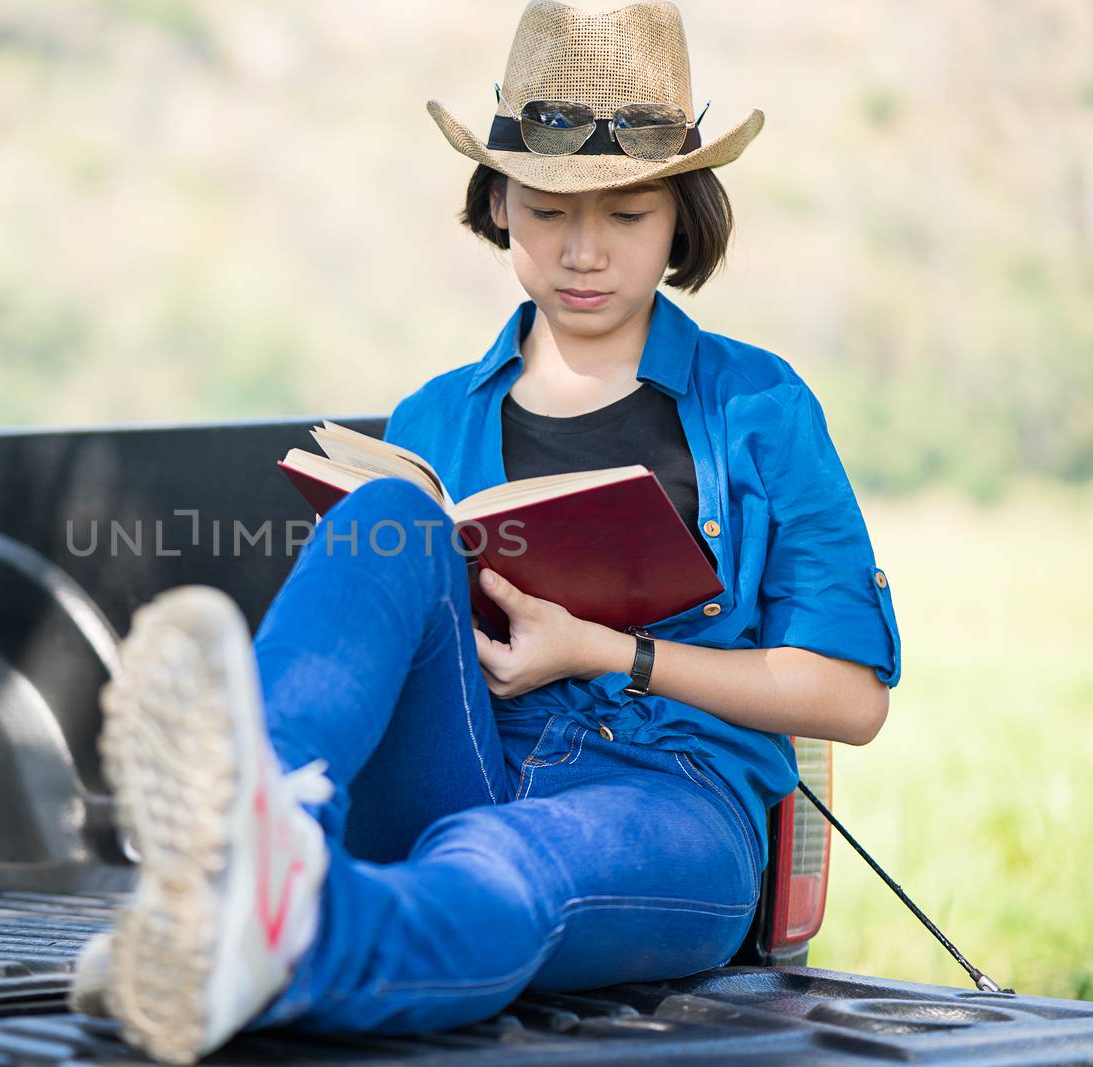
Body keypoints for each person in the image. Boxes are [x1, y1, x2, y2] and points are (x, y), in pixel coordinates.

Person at [69, 2, 903, 1063]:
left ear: (682, 216)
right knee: (388, 510)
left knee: (500, 857)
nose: (583, 250)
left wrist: (607, 650)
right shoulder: (433, 417)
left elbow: (849, 696)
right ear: (499, 199)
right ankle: (257, 822)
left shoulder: (760, 406)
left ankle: (278, 940)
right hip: (465, 752)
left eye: (628, 214)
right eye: (549, 209)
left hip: (672, 802)